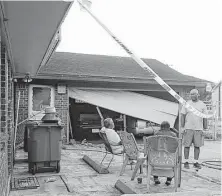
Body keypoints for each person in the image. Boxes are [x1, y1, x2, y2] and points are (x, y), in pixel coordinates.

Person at [181, 89, 208, 169]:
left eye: (194, 94)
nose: (192, 95)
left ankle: (196, 162)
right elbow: (182, 115)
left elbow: (205, 117)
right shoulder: (187, 104)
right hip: (188, 128)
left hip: (198, 129)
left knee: (197, 146)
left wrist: (205, 128)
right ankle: (186, 162)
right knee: (186, 146)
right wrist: (182, 127)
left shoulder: (202, 105)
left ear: (198, 94)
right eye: (191, 94)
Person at [153, 121, 176, 186]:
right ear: (169, 127)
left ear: (161, 127)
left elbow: (152, 146)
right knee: (173, 157)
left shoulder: (156, 133)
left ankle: (156, 179)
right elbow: (176, 147)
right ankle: (169, 180)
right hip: (169, 161)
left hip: (156, 161)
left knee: (155, 156)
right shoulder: (173, 135)